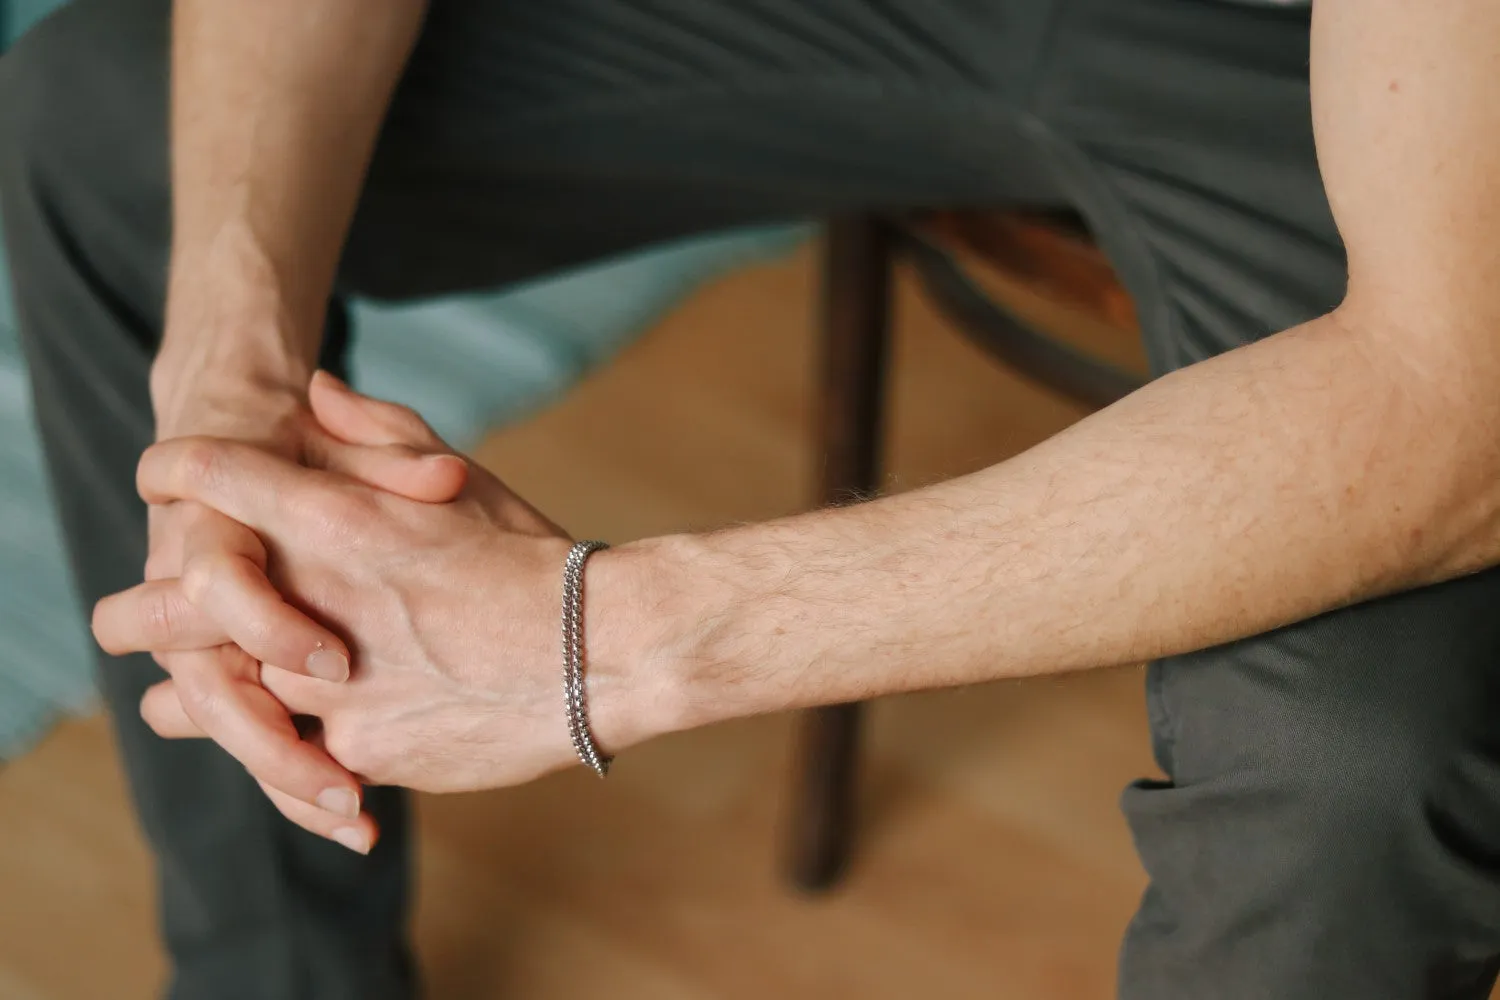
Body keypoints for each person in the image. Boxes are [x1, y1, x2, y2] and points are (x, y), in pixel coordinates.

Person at [4, 0, 1500, 995]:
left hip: (1342, 79)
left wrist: (600, 639)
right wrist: (220, 398)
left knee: (1350, 778)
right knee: (106, 115)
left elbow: (1453, 415)